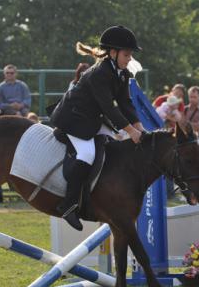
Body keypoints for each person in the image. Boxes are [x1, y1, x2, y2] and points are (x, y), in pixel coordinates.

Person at [50, 25, 145, 230]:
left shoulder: (121, 73)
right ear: (113, 53)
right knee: (87, 154)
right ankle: (68, 204)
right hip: (72, 119)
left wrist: (139, 126)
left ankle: (102, 195)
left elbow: (125, 103)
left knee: (115, 144)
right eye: (127, 54)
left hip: (91, 119)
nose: (130, 59)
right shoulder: (99, 73)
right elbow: (109, 108)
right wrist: (131, 131)